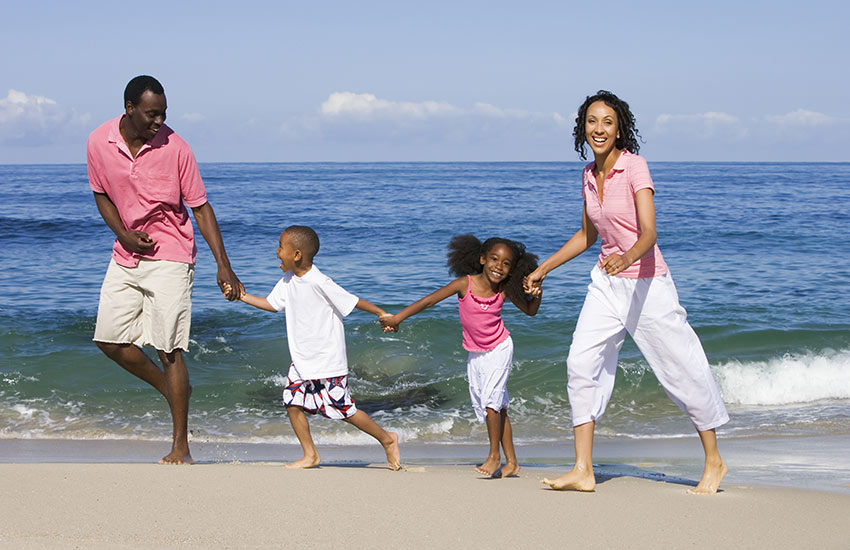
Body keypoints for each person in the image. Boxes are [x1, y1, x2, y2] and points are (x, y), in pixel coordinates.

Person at [524, 90, 729, 493]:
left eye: (607, 122)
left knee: (681, 368)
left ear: (619, 130)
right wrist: (543, 268)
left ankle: (715, 460)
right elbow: (587, 235)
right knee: (580, 364)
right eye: (592, 122)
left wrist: (628, 256)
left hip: (647, 284)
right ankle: (583, 469)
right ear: (582, 128)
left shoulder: (635, 167)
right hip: (605, 283)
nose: (599, 129)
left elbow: (649, 232)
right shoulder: (587, 175)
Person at [87, 75, 242, 465]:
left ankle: (180, 447)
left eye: (164, 114)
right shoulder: (98, 142)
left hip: (172, 256)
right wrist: (123, 234)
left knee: (168, 349)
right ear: (129, 109)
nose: (159, 122)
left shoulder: (177, 148)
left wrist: (223, 265)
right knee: (108, 340)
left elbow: (200, 208)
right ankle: (174, 390)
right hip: (126, 255)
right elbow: (101, 193)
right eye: (152, 114)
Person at [227, 225, 401, 470]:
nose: (277, 252)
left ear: (296, 255)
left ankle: (387, 439)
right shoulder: (288, 281)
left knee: (344, 409)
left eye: (281, 248)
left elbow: (351, 300)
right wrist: (241, 296)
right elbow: (271, 304)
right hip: (302, 360)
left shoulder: (319, 281)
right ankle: (311, 455)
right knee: (292, 402)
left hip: (328, 360)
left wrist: (381, 313)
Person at [381, 234, 541, 478]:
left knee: (491, 404)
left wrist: (538, 291)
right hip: (476, 353)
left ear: (512, 269)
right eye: (494, 259)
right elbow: (429, 301)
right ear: (482, 259)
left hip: (499, 349)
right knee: (497, 406)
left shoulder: (504, 290)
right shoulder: (464, 284)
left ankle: (494, 457)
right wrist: (397, 318)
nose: (499, 266)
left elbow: (530, 311)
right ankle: (513, 463)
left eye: (506, 263)